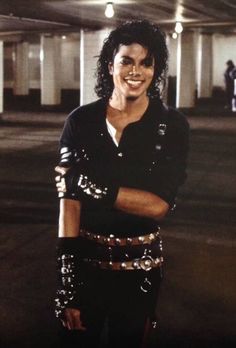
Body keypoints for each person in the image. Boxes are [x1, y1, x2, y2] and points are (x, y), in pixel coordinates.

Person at [54, 19, 189, 348]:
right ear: (110, 64)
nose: (136, 71)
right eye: (127, 60)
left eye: (146, 62)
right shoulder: (81, 121)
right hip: (85, 265)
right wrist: (67, 282)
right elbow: (69, 204)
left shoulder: (172, 125)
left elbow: (158, 205)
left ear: (155, 69)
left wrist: (89, 186)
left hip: (139, 270)